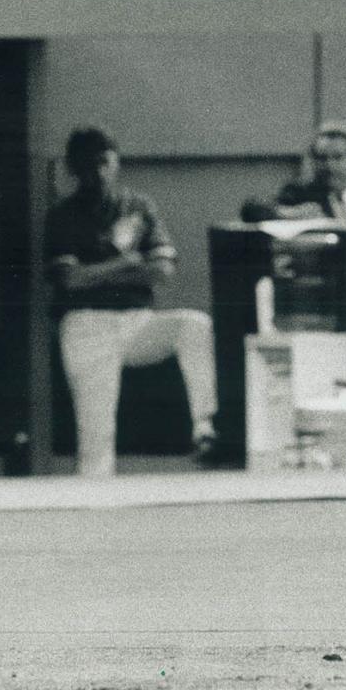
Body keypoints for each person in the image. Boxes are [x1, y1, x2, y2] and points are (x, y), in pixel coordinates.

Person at [44, 126, 218, 478]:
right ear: (74, 168)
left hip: (137, 320)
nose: (99, 171)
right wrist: (126, 263)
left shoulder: (137, 206)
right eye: (89, 164)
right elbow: (70, 279)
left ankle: (204, 424)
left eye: (105, 161)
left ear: (116, 161)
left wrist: (97, 272)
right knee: (96, 443)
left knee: (194, 325)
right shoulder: (62, 215)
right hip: (85, 324)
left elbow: (163, 270)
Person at [241, 120, 346, 223]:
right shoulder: (300, 192)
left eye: (337, 158)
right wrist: (287, 213)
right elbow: (251, 209)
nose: (329, 166)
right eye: (322, 158)